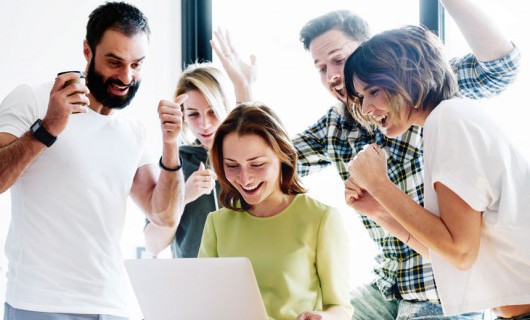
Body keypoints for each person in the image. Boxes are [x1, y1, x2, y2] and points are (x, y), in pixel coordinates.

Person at [219, 0, 520, 319]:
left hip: (445, 293)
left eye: (339, 60)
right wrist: (243, 93)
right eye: (322, 68)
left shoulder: (434, 96)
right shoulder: (334, 126)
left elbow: (500, 67)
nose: (334, 76)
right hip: (388, 289)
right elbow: (262, 163)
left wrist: (379, 185)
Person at [0, 2, 185, 319]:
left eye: (137, 64)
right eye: (115, 62)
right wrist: (48, 129)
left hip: (113, 304)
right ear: (88, 51)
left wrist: (171, 144)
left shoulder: (132, 130)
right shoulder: (34, 99)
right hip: (41, 302)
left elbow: (163, 216)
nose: (126, 76)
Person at [343, 25, 530, 319]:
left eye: (373, 91)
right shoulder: (452, 119)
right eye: (360, 97)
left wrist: (380, 184)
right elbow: (453, 257)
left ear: (408, 75)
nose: (365, 108)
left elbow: (460, 252)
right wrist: (380, 211)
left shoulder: (449, 119)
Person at [198, 103, 353, 320]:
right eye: (232, 166)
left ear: (283, 157)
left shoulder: (320, 220)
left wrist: (324, 318)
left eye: (257, 164)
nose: (245, 178)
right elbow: (203, 303)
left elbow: (340, 309)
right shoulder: (216, 224)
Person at [143, 30, 256, 258]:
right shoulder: (176, 162)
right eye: (193, 114)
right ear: (182, 114)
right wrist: (183, 196)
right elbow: (152, 244)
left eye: (213, 111)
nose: (204, 124)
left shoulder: (249, 156)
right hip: (192, 283)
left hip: (246, 275)